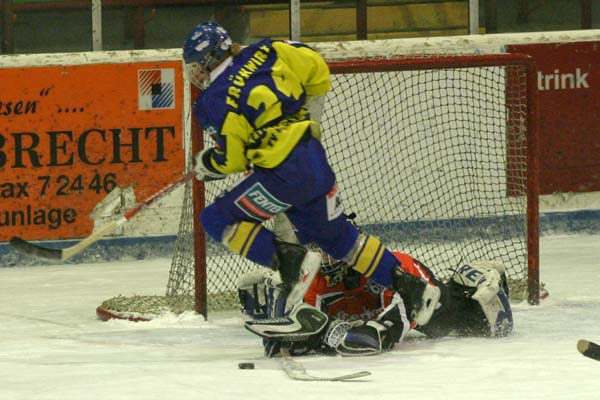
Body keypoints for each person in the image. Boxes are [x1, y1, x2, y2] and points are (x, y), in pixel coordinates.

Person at [182, 22, 439, 314]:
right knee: (339, 239)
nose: (195, 73)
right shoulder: (268, 50)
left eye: (195, 65)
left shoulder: (211, 100)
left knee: (217, 219)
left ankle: (294, 265)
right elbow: (318, 73)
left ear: (208, 59)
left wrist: (208, 163)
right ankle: (414, 290)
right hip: (314, 160)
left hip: (282, 174)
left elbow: (233, 159)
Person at [240, 243, 514, 357]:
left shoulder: (390, 271)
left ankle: (472, 277)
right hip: (374, 310)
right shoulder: (315, 282)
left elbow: (375, 339)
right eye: (320, 252)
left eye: (332, 252)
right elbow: (297, 337)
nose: (325, 260)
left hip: (426, 303)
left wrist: (324, 333)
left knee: (485, 325)